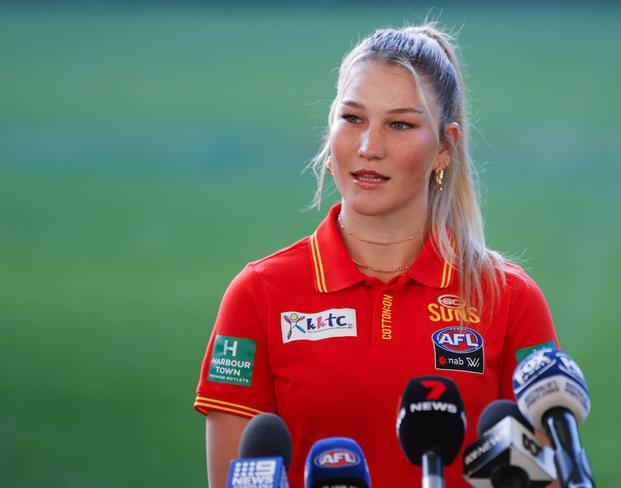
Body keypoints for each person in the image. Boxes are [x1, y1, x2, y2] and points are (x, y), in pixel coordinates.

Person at [194, 22, 558, 488]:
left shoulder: (508, 298)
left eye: (400, 124)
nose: (369, 147)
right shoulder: (258, 294)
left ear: (445, 148)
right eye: (353, 119)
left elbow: (549, 475)